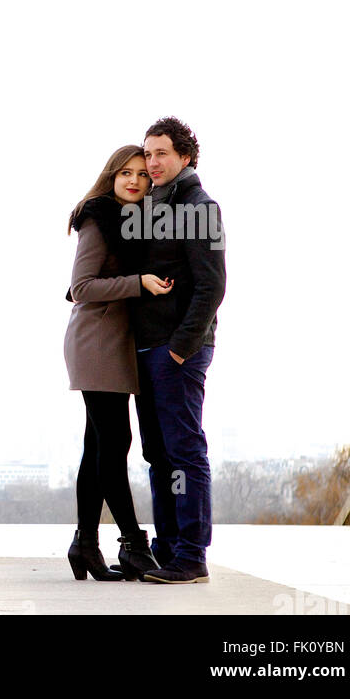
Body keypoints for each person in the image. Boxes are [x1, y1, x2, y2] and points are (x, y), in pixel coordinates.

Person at [64, 145, 174, 582]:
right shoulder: (99, 219)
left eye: (142, 175)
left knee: (97, 449)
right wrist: (139, 283)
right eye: (124, 173)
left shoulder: (132, 223)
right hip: (96, 344)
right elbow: (81, 287)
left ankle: (85, 545)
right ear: (110, 176)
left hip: (113, 344)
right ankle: (133, 544)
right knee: (116, 443)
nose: (134, 181)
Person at [129, 116, 226, 584]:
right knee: (158, 455)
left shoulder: (200, 206)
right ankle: (167, 548)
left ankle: (192, 555)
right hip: (148, 349)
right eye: (147, 153)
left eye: (161, 153)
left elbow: (212, 286)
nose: (152, 162)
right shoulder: (153, 206)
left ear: (185, 156)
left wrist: (181, 350)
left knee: (185, 453)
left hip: (176, 351)